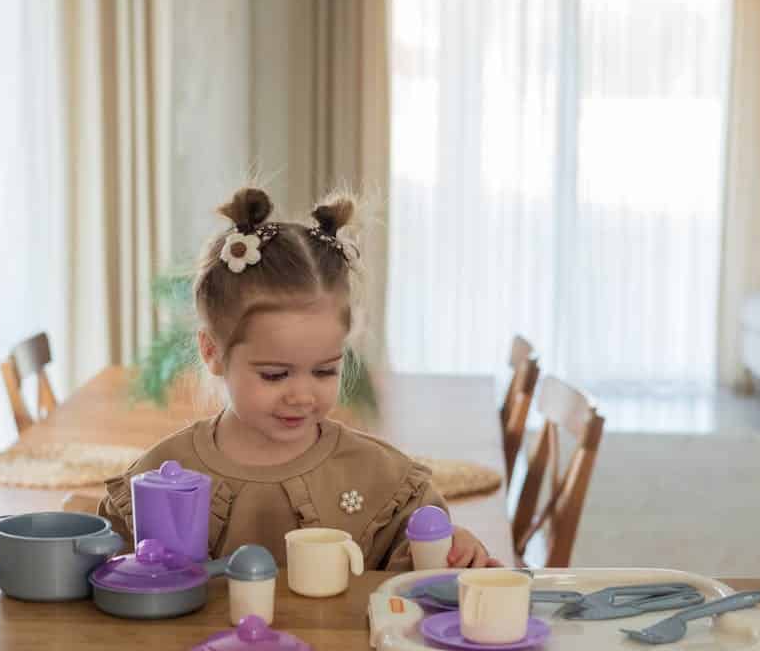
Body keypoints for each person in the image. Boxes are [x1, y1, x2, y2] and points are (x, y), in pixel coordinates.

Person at [99, 186, 500, 570]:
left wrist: (454, 549)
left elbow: (422, 575)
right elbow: (105, 576)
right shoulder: (158, 474)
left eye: (325, 370)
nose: (303, 396)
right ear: (212, 353)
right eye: (275, 375)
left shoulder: (383, 478)